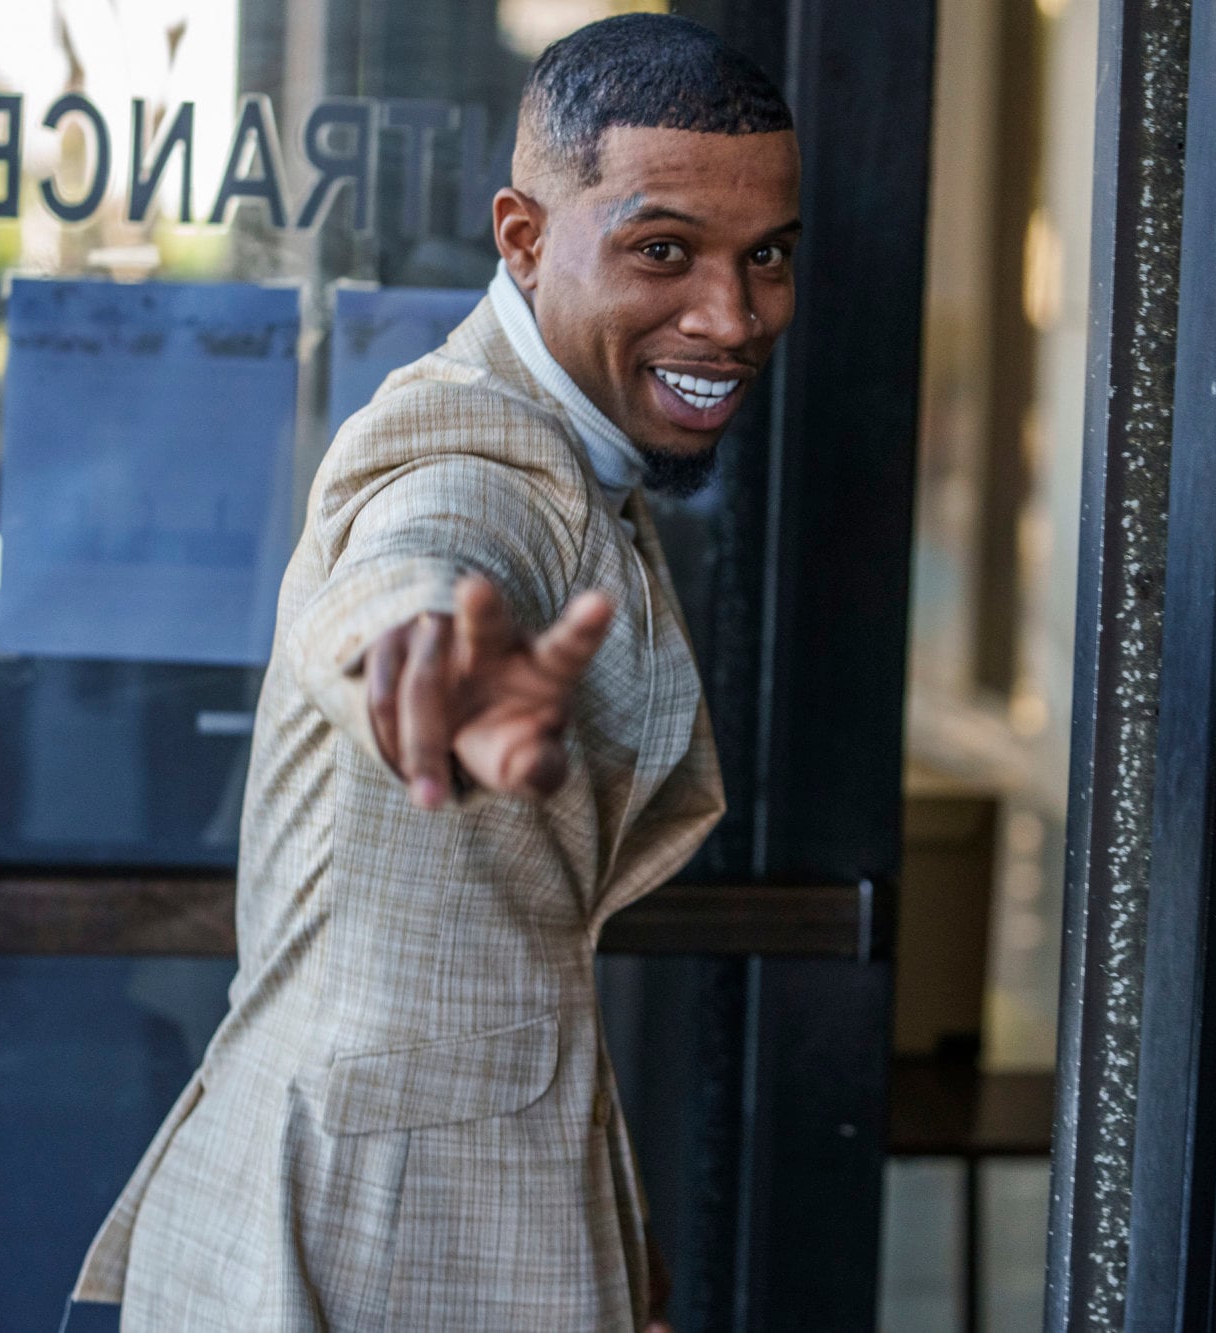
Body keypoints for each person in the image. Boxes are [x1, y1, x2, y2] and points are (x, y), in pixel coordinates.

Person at [70, 15, 799, 1329]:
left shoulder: (578, 447)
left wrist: (604, 1235)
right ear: (520, 238)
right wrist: (426, 668)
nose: (729, 316)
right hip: (347, 1257)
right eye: (660, 252)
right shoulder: (468, 451)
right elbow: (407, 560)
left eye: (765, 260)